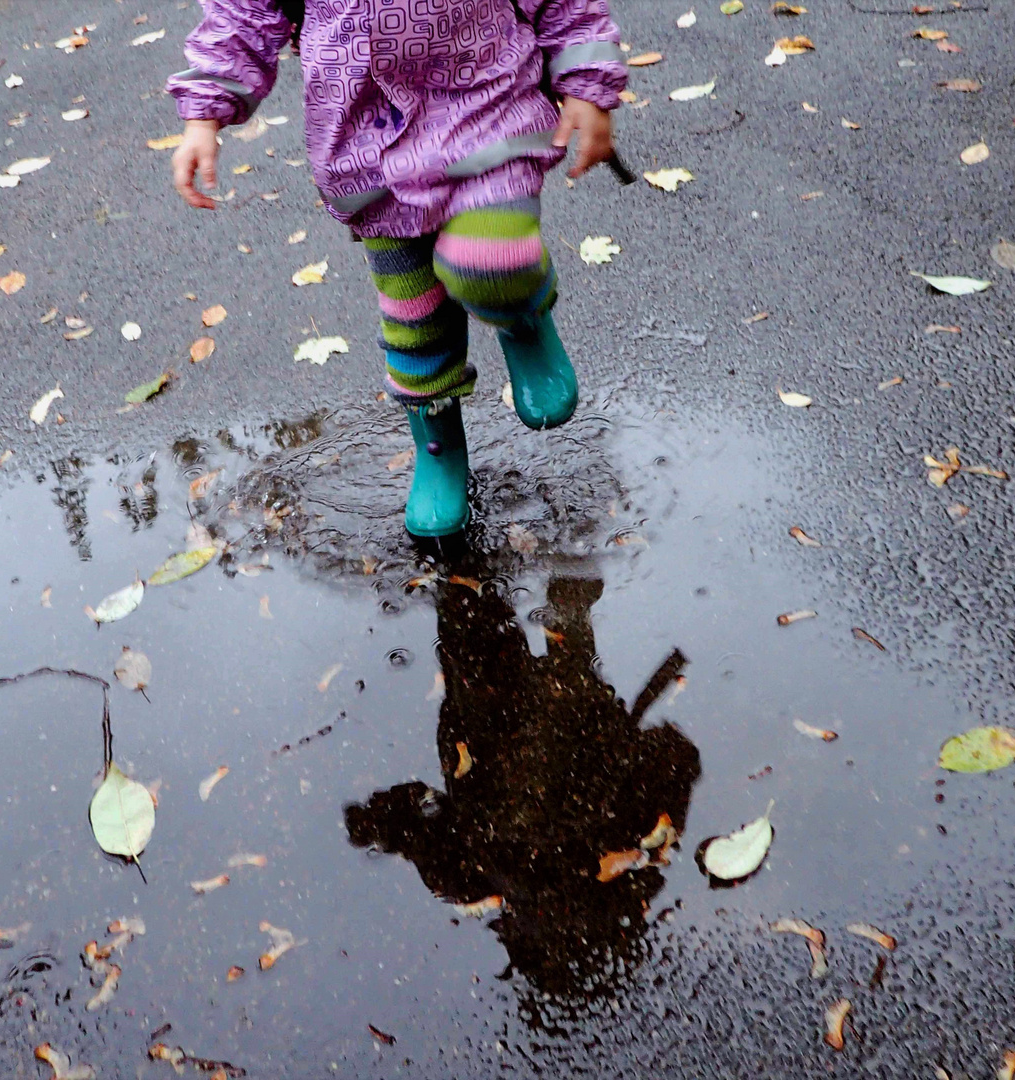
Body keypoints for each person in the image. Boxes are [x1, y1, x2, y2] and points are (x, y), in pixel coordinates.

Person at [167, 0, 628, 538]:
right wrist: (204, 112)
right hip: (369, 148)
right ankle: (439, 450)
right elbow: (242, 15)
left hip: (486, 108)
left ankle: (520, 315)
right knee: (415, 319)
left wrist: (587, 83)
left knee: (491, 259)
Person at [344, 567, 700, 1002]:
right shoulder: (477, 877)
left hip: (528, 721)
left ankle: (557, 599)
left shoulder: (626, 854)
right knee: (470, 596)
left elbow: (674, 755)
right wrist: (376, 824)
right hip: (498, 722)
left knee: (528, 635)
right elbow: (417, 828)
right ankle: (515, 586)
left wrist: (380, 824)